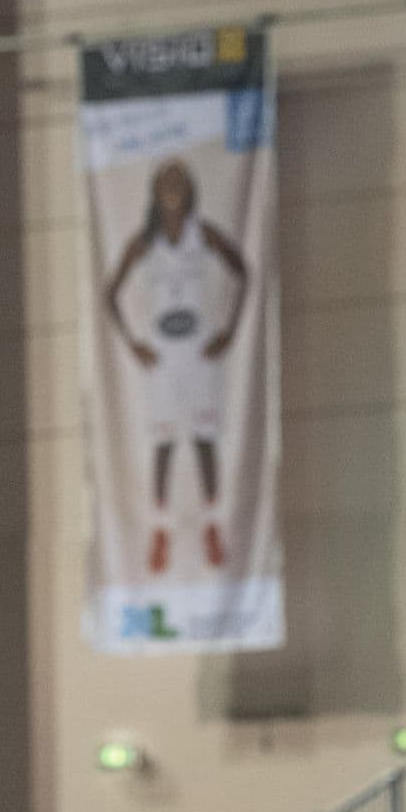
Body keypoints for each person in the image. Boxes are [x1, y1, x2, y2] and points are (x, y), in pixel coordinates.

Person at [103, 157, 250, 575]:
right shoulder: (144, 243)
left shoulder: (202, 234)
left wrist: (230, 331)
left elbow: (243, 271)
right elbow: (110, 292)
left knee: (204, 439)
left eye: (180, 181)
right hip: (164, 355)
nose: (173, 187)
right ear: (154, 191)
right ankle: (160, 531)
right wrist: (134, 344)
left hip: (198, 349)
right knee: (164, 444)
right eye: (166, 181)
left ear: (189, 190)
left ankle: (211, 524)